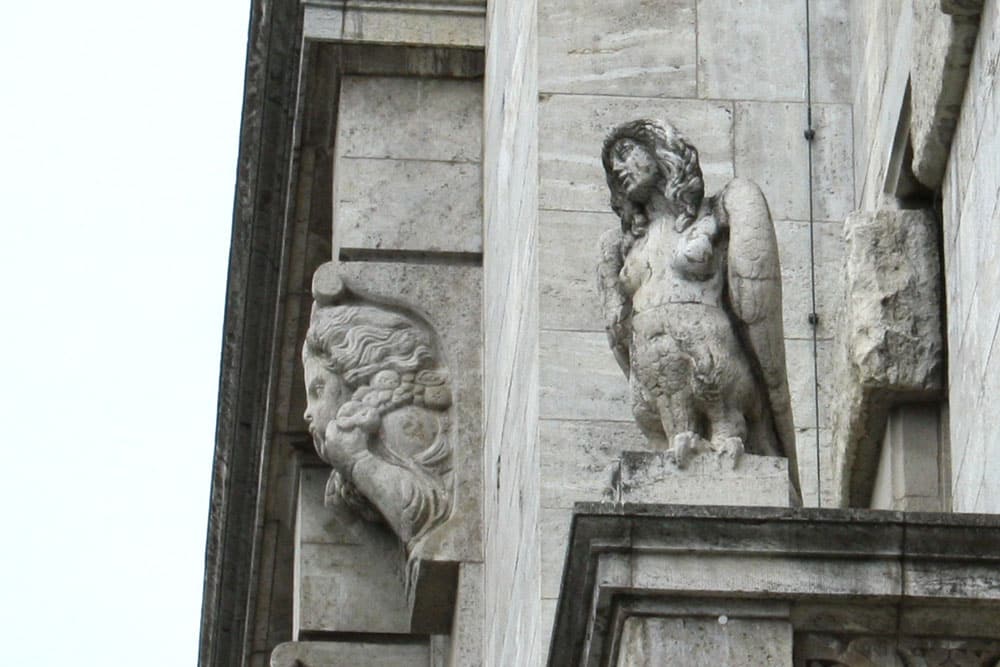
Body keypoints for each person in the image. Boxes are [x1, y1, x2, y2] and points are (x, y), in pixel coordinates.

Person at [302, 301, 453, 550]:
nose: (308, 412)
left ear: (353, 379)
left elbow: (422, 519)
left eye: (318, 390)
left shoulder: (399, 421)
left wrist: (359, 461)